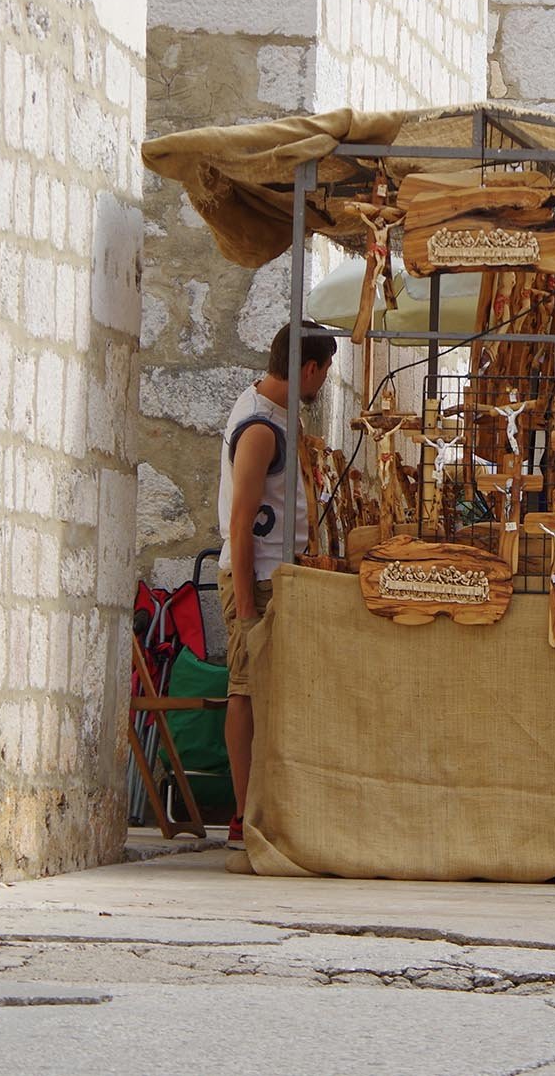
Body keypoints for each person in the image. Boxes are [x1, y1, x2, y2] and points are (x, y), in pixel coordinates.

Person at [218, 322, 336, 849]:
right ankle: (244, 814)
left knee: (268, 694)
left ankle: (269, 807)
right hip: (256, 578)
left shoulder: (270, 410)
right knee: (244, 689)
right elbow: (240, 524)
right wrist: (246, 611)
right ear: (308, 369)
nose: (325, 381)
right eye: (325, 371)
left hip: (273, 576)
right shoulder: (261, 428)